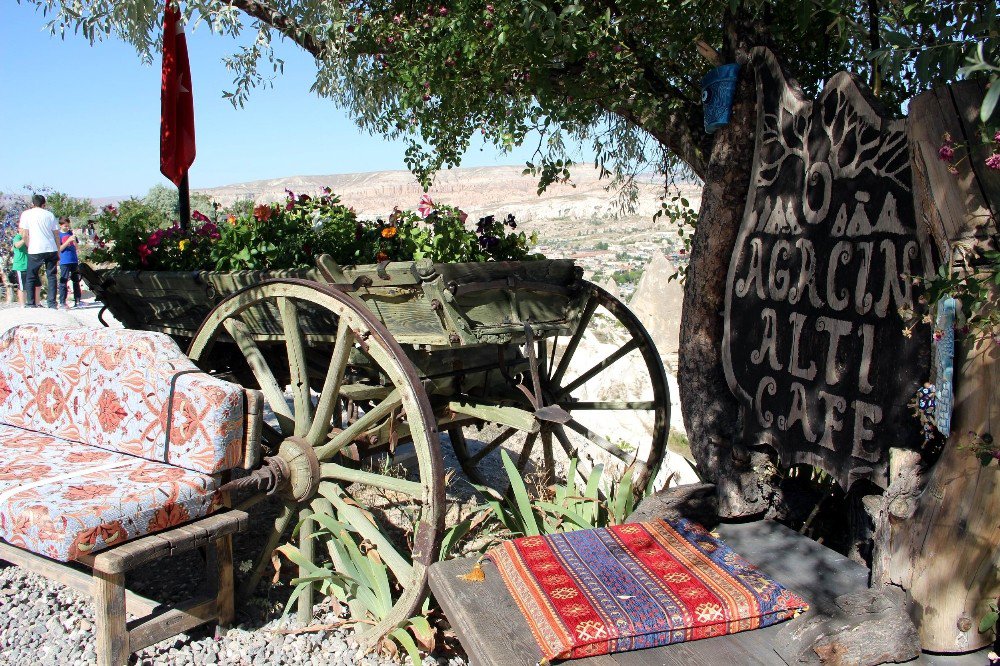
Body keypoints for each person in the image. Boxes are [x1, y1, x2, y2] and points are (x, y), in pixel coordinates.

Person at [19, 194, 60, 308]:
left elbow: (24, 234)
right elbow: (56, 234)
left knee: (31, 276)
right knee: (51, 275)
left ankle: (31, 303)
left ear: (32, 204)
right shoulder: (49, 215)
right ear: (44, 204)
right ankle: (52, 303)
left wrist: (29, 245)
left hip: (35, 249)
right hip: (50, 248)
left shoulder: (26, 214)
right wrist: (58, 250)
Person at [57, 217, 83, 308]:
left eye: (68, 226)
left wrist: (74, 241)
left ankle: (78, 300)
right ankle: (62, 302)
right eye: (65, 226)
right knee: (63, 281)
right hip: (64, 261)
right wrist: (67, 241)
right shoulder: (58, 235)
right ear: (60, 225)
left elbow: (76, 247)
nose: (67, 228)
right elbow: (59, 249)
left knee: (76, 280)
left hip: (73, 259)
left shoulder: (71, 233)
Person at [11, 230, 33, 306]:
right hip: (20, 265)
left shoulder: (29, 237)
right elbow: (16, 245)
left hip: (28, 264)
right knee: (22, 285)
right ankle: (22, 304)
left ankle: (30, 302)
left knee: (28, 284)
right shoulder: (18, 237)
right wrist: (24, 239)